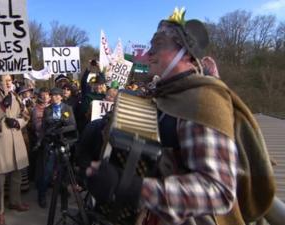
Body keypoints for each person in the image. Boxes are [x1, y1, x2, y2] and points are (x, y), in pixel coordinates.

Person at [86, 9, 245, 225]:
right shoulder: (162, 94)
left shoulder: (205, 100)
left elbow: (218, 191)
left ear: (186, 53)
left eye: (158, 44)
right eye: (150, 45)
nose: (149, 53)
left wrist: (134, 188)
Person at [0, 75, 30, 225]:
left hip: (16, 141)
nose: (8, 83)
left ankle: (15, 201)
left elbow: (26, 115)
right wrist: (2, 107)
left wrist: (18, 123)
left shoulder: (16, 97)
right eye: (5, 80)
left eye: (10, 80)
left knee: (17, 175)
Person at [36, 87, 77, 208]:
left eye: (54, 95)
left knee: (63, 170)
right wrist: (40, 141)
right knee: (47, 171)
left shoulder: (68, 108)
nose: (52, 97)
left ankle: (62, 191)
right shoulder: (47, 110)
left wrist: (61, 128)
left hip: (63, 142)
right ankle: (42, 195)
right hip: (51, 143)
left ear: (60, 96)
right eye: (51, 95)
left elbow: (73, 125)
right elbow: (43, 127)